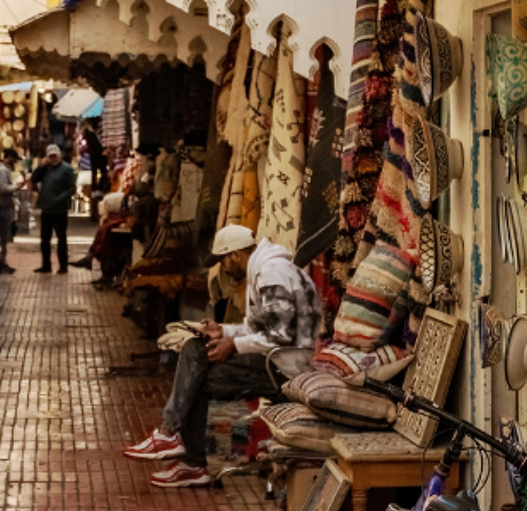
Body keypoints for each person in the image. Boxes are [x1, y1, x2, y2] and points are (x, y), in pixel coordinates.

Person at [124, 224, 319, 487]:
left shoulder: (272, 273)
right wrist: (222, 331)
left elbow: (280, 335)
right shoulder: (265, 270)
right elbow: (259, 328)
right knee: (195, 349)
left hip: (286, 367)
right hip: (277, 358)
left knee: (198, 380)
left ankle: (183, 451)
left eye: (223, 261)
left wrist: (234, 345)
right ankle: (174, 439)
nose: (224, 269)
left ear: (235, 255)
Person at [32, 143, 77, 273]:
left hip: (59, 210)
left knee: (61, 238)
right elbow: (35, 179)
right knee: (45, 239)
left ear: (59, 155)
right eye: (50, 156)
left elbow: (71, 189)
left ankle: (63, 265)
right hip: (46, 209)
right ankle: (46, 265)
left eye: (54, 156)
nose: (53, 159)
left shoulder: (67, 170)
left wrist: (58, 199)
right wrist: (41, 166)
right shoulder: (46, 169)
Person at [0, 148, 21, 274]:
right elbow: (3, 188)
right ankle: (2, 263)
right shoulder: (2, 170)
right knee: (3, 236)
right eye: (14, 159)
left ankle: (2, 262)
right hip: (4, 206)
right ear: (9, 157)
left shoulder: (2, 169)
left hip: (5, 205)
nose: (14, 162)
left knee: (5, 236)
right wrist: (16, 187)